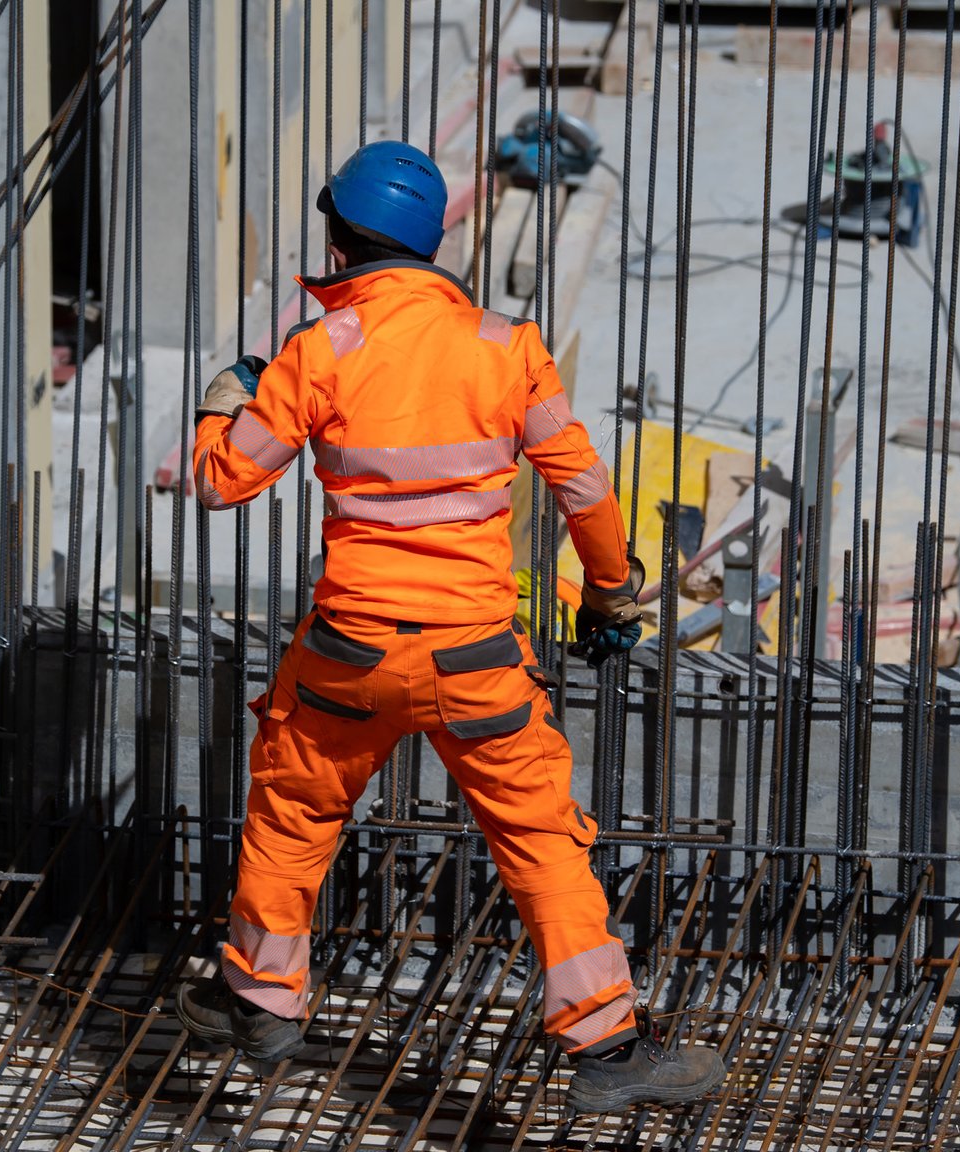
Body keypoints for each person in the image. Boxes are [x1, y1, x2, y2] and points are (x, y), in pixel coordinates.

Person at [172, 140, 724, 1113]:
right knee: (542, 843)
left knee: (295, 814)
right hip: (474, 659)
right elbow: (585, 489)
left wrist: (226, 401)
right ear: (431, 248)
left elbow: (222, 478)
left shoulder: (317, 351)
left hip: (349, 654)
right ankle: (605, 1047)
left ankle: (260, 997)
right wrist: (607, 594)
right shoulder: (505, 347)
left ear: (340, 244)